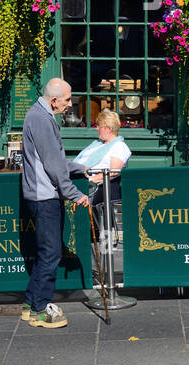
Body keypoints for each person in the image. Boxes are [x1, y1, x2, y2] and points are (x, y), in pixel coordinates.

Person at [20, 79, 92, 330]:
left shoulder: (38, 115)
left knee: (46, 253)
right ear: (53, 100)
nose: (69, 105)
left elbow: (53, 160)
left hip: (42, 195)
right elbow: (52, 165)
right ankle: (40, 310)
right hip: (45, 197)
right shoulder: (41, 119)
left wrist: (79, 168)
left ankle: (31, 304)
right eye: (67, 100)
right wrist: (74, 194)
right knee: (50, 253)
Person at [71, 109, 131, 205]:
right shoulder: (97, 144)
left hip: (98, 191)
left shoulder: (119, 146)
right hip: (78, 185)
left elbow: (114, 172)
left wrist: (90, 180)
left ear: (108, 128)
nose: (96, 128)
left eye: (99, 126)